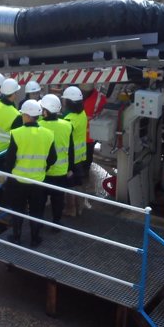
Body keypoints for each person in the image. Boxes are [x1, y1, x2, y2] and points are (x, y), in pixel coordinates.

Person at [2, 100, 56, 247]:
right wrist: (42, 168)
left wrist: (9, 174)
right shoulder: (48, 134)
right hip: (38, 181)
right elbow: (53, 158)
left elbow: (9, 159)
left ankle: (17, 237)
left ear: (26, 115)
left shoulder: (17, 133)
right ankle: (35, 238)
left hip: (18, 181)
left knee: (18, 210)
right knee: (36, 211)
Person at [38, 94, 74, 231]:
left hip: (42, 171)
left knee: (40, 200)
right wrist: (71, 168)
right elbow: (70, 150)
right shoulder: (67, 125)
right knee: (58, 200)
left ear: (45, 111)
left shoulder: (39, 126)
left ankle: (38, 222)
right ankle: (56, 223)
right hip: (61, 171)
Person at [61, 86, 88, 216]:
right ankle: (80, 207)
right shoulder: (82, 114)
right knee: (78, 180)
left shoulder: (69, 120)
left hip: (70, 156)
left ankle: (71, 209)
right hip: (81, 155)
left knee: (70, 183)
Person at [82, 83, 107, 175]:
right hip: (81, 135)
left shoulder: (100, 98)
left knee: (87, 157)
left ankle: (85, 172)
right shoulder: (74, 94)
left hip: (89, 136)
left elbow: (105, 114)